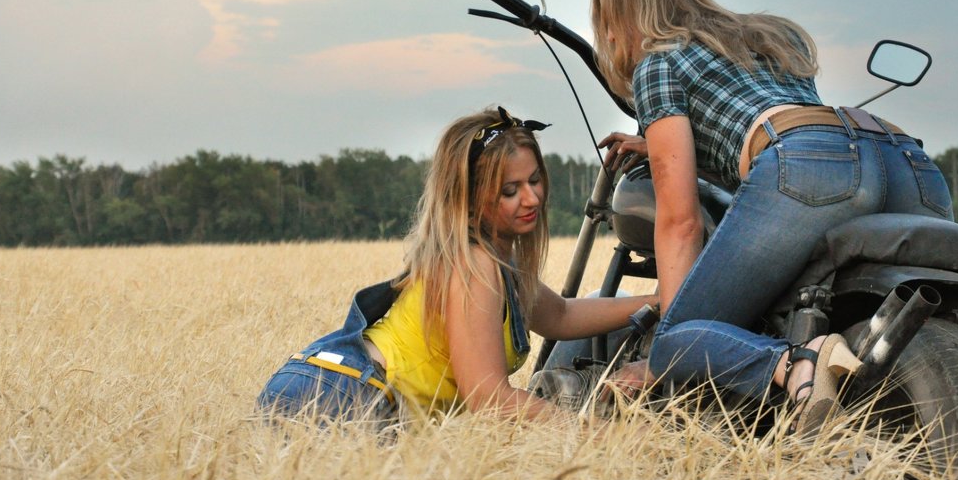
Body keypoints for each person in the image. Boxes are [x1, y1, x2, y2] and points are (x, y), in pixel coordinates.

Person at [589, 0, 954, 429]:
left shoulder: (658, 62)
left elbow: (680, 221)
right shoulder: (772, 36)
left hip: (809, 161)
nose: (609, 36)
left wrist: (672, 348)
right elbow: (773, 127)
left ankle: (799, 362)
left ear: (626, 18)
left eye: (608, 24)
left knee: (676, 341)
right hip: (906, 159)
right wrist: (658, 147)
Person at [257, 106, 658, 425]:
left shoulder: (497, 258)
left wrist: (658, 299)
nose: (532, 198)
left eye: (535, 180)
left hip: (331, 387)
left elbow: (561, 316)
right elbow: (488, 396)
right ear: (468, 198)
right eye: (509, 190)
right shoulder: (475, 263)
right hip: (338, 398)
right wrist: (588, 433)